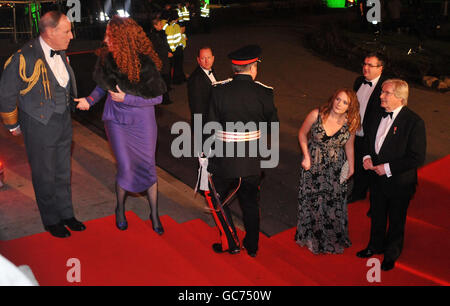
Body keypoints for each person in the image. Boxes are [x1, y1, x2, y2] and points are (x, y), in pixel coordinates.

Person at [75, 16, 167, 234]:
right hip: (116, 120)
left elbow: (157, 98)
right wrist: (89, 100)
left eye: (110, 33)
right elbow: (102, 87)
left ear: (121, 38)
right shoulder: (107, 59)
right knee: (125, 166)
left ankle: (154, 213)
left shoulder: (145, 64)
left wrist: (128, 99)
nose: (105, 36)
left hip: (142, 122)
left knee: (147, 166)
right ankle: (120, 208)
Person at [0, 11, 85, 239]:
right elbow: (6, 93)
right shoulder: (23, 57)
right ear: (50, 32)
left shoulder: (61, 52)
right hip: (39, 123)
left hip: (63, 121)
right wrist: (12, 124)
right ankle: (51, 220)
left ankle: (67, 214)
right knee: (44, 174)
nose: (71, 35)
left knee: (62, 172)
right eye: (66, 31)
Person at [205, 45, 278, 258]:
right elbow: (272, 125)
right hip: (252, 162)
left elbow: (210, 126)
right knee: (250, 204)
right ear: (253, 68)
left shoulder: (219, 90)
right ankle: (253, 246)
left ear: (234, 69)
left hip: (225, 162)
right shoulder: (265, 92)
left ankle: (230, 242)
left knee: (216, 198)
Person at [356, 79, 426, 271]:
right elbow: (369, 139)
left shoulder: (414, 122)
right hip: (376, 179)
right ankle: (374, 246)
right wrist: (367, 157)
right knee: (377, 215)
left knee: (396, 220)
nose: (381, 96)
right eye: (382, 92)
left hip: (399, 183)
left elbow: (417, 157)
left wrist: (387, 168)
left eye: (386, 93)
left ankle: (391, 254)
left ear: (400, 98)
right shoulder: (378, 114)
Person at [296, 88, 360, 255]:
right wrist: (306, 156)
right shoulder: (316, 114)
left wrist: (351, 166)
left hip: (336, 166)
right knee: (313, 201)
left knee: (333, 202)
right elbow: (302, 134)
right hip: (313, 164)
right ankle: (312, 237)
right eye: (338, 99)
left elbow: (349, 146)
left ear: (350, 106)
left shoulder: (351, 121)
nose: (340, 104)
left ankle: (330, 236)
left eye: (345, 102)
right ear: (333, 99)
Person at [349, 52, 386, 205]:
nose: (366, 67)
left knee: (372, 167)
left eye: (370, 65)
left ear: (380, 68)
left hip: (372, 135)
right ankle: (358, 193)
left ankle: (375, 201)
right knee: (357, 163)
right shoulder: (359, 81)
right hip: (355, 131)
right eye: (364, 64)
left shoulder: (385, 87)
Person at [187, 46, 217, 127]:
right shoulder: (195, 79)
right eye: (203, 58)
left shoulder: (211, 70)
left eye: (209, 57)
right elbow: (196, 107)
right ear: (198, 60)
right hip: (204, 123)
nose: (207, 61)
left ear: (213, 58)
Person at [150, 17, 173, 105]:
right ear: (155, 26)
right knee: (162, 80)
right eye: (159, 24)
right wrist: (166, 53)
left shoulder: (162, 33)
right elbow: (156, 49)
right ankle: (164, 98)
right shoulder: (153, 36)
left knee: (166, 78)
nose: (162, 25)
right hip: (161, 61)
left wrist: (169, 51)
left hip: (165, 60)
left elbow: (166, 44)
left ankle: (166, 95)